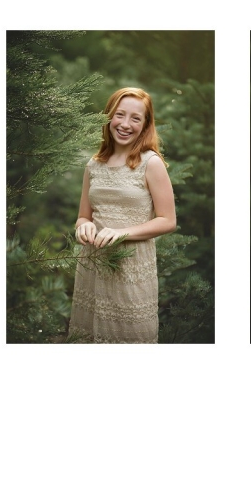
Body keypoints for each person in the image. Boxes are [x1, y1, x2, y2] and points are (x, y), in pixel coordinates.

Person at [69, 87, 176, 343]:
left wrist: (122, 232)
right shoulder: (93, 164)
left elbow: (168, 220)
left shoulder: (151, 163)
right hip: (93, 264)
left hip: (131, 267)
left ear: (146, 124)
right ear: (109, 117)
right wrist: (82, 227)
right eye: (120, 115)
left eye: (135, 118)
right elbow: (84, 216)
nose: (125, 124)